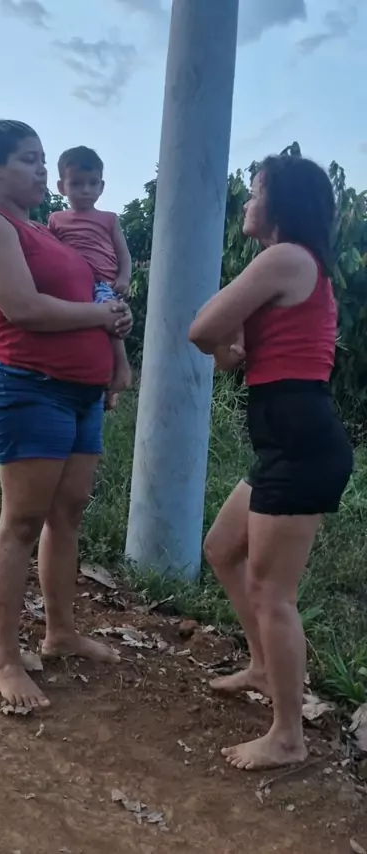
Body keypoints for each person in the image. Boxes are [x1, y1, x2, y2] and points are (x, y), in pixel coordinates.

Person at [0, 114, 133, 710]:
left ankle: (60, 633)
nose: (40, 170)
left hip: (81, 395)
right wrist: (101, 317)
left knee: (68, 513)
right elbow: (24, 308)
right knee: (23, 521)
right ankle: (5, 658)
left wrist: (113, 332)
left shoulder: (45, 232)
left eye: (41, 159)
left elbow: (92, 295)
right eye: (29, 160)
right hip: (29, 389)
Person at [189, 154, 353, 771]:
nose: (247, 202)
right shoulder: (293, 266)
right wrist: (227, 345)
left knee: (272, 592)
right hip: (284, 442)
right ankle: (262, 666)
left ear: (281, 205)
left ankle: (289, 736)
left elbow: (201, 328)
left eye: (255, 192)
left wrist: (221, 338)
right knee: (221, 548)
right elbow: (223, 351)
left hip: (302, 445)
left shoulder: (284, 258)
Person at [48, 146, 132, 409]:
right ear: (61, 187)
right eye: (77, 183)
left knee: (112, 317)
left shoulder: (109, 219)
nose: (86, 190)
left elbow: (124, 254)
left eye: (93, 183)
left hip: (103, 283)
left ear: (102, 186)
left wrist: (124, 278)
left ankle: (120, 372)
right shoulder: (56, 219)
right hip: (72, 284)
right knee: (83, 329)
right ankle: (103, 385)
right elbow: (50, 251)